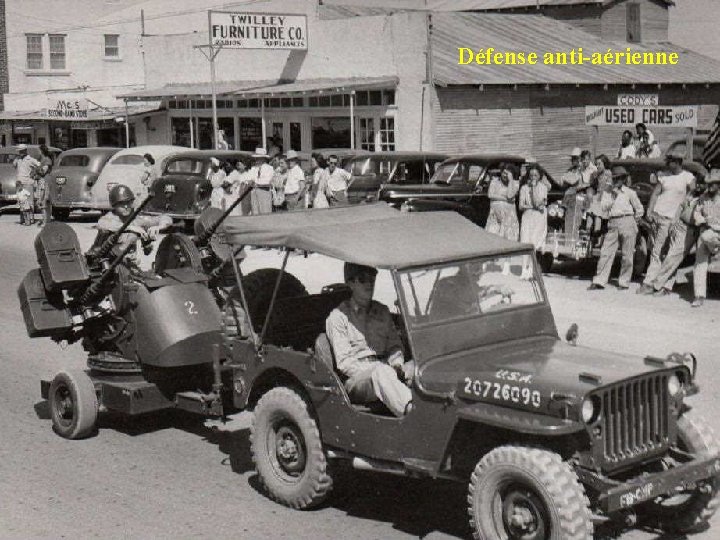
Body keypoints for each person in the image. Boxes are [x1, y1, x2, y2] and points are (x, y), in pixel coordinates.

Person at [325, 263, 413, 417]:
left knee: (417, 365)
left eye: (372, 278)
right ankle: (411, 413)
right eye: (362, 279)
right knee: (381, 373)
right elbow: (345, 363)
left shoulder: (382, 311)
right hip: (357, 380)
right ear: (350, 283)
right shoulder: (338, 317)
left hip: (387, 369)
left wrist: (397, 363)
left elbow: (395, 346)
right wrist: (382, 370)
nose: (369, 283)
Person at [637, 155, 696, 295]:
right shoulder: (664, 176)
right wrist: (650, 210)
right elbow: (656, 194)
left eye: (671, 162)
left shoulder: (687, 176)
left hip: (674, 219)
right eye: (668, 162)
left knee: (668, 254)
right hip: (659, 216)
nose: (669, 164)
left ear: (678, 162)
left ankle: (655, 284)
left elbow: (693, 188)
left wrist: (686, 201)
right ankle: (656, 284)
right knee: (657, 252)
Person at [91, 184, 172, 270]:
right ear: (114, 206)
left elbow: (166, 218)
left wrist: (159, 227)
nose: (126, 206)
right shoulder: (110, 217)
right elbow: (102, 223)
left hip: (127, 265)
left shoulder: (136, 218)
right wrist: (130, 227)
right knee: (131, 235)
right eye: (121, 204)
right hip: (102, 263)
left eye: (128, 202)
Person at [588, 166, 644, 291]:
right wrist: (613, 196)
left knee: (627, 255)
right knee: (606, 252)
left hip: (627, 220)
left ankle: (624, 282)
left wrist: (634, 221)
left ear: (624, 179)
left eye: (620, 178)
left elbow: (639, 209)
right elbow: (603, 207)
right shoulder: (607, 192)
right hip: (613, 222)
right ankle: (599, 281)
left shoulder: (629, 192)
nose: (617, 181)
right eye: (615, 178)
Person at [429, 261, 514, 319]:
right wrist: (494, 290)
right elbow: (471, 297)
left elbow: (478, 293)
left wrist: (495, 289)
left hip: (457, 328)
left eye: (480, 267)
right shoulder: (448, 285)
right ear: (465, 267)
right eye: (476, 268)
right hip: (446, 333)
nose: (480, 272)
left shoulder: (462, 283)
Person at [690, 172, 720, 307]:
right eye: (708, 184)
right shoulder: (703, 198)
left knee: (709, 236)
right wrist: (702, 220)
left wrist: (713, 224)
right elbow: (697, 213)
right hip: (705, 232)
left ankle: (716, 248)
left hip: (717, 232)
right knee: (700, 264)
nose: (710, 186)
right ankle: (699, 295)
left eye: (713, 183)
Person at [519, 164, 548, 278]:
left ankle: (531, 269)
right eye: (531, 175)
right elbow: (521, 206)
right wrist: (531, 206)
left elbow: (538, 204)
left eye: (536, 175)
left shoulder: (543, 188)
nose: (533, 177)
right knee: (525, 241)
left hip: (539, 218)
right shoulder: (524, 188)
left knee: (534, 243)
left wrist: (533, 189)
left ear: (539, 176)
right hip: (527, 217)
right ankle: (523, 270)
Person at [486, 164, 520, 242]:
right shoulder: (494, 181)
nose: (505, 175)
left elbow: (510, 195)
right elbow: (490, 195)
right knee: (493, 236)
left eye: (508, 174)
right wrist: (505, 199)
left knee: (508, 237)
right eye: (504, 173)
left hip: (509, 216)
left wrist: (511, 180)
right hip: (495, 214)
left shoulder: (515, 184)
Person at [586, 154, 613, 240]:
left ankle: (596, 231)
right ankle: (587, 228)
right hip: (598, 196)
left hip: (605, 196)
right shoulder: (597, 174)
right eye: (596, 164)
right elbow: (593, 186)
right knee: (590, 211)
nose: (597, 166)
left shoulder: (608, 173)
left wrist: (600, 195)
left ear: (604, 164)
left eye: (599, 164)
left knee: (597, 212)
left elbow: (608, 187)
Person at [14, 144, 41, 225]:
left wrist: (35, 173)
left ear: (25, 151)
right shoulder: (18, 159)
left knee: (29, 202)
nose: (20, 152)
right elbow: (14, 165)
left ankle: (30, 219)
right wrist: (16, 159)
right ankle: (23, 218)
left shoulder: (30, 159)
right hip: (19, 183)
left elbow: (39, 166)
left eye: (22, 151)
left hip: (28, 182)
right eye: (19, 151)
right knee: (21, 201)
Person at [248, 147, 274, 215]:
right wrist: (252, 182)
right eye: (256, 158)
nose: (256, 160)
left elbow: (268, 182)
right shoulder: (253, 168)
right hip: (254, 192)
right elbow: (249, 179)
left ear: (263, 158)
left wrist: (256, 183)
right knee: (255, 211)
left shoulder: (269, 168)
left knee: (265, 211)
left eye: (258, 158)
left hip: (264, 192)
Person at [35, 144, 54, 226]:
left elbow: (43, 171)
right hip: (43, 180)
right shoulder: (42, 160)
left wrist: (36, 170)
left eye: (38, 150)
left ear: (41, 151)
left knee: (43, 200)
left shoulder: (46, 160)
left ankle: (45, 221)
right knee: (44, 201)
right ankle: (46, 220)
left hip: (44, 181)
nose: (38, 152)